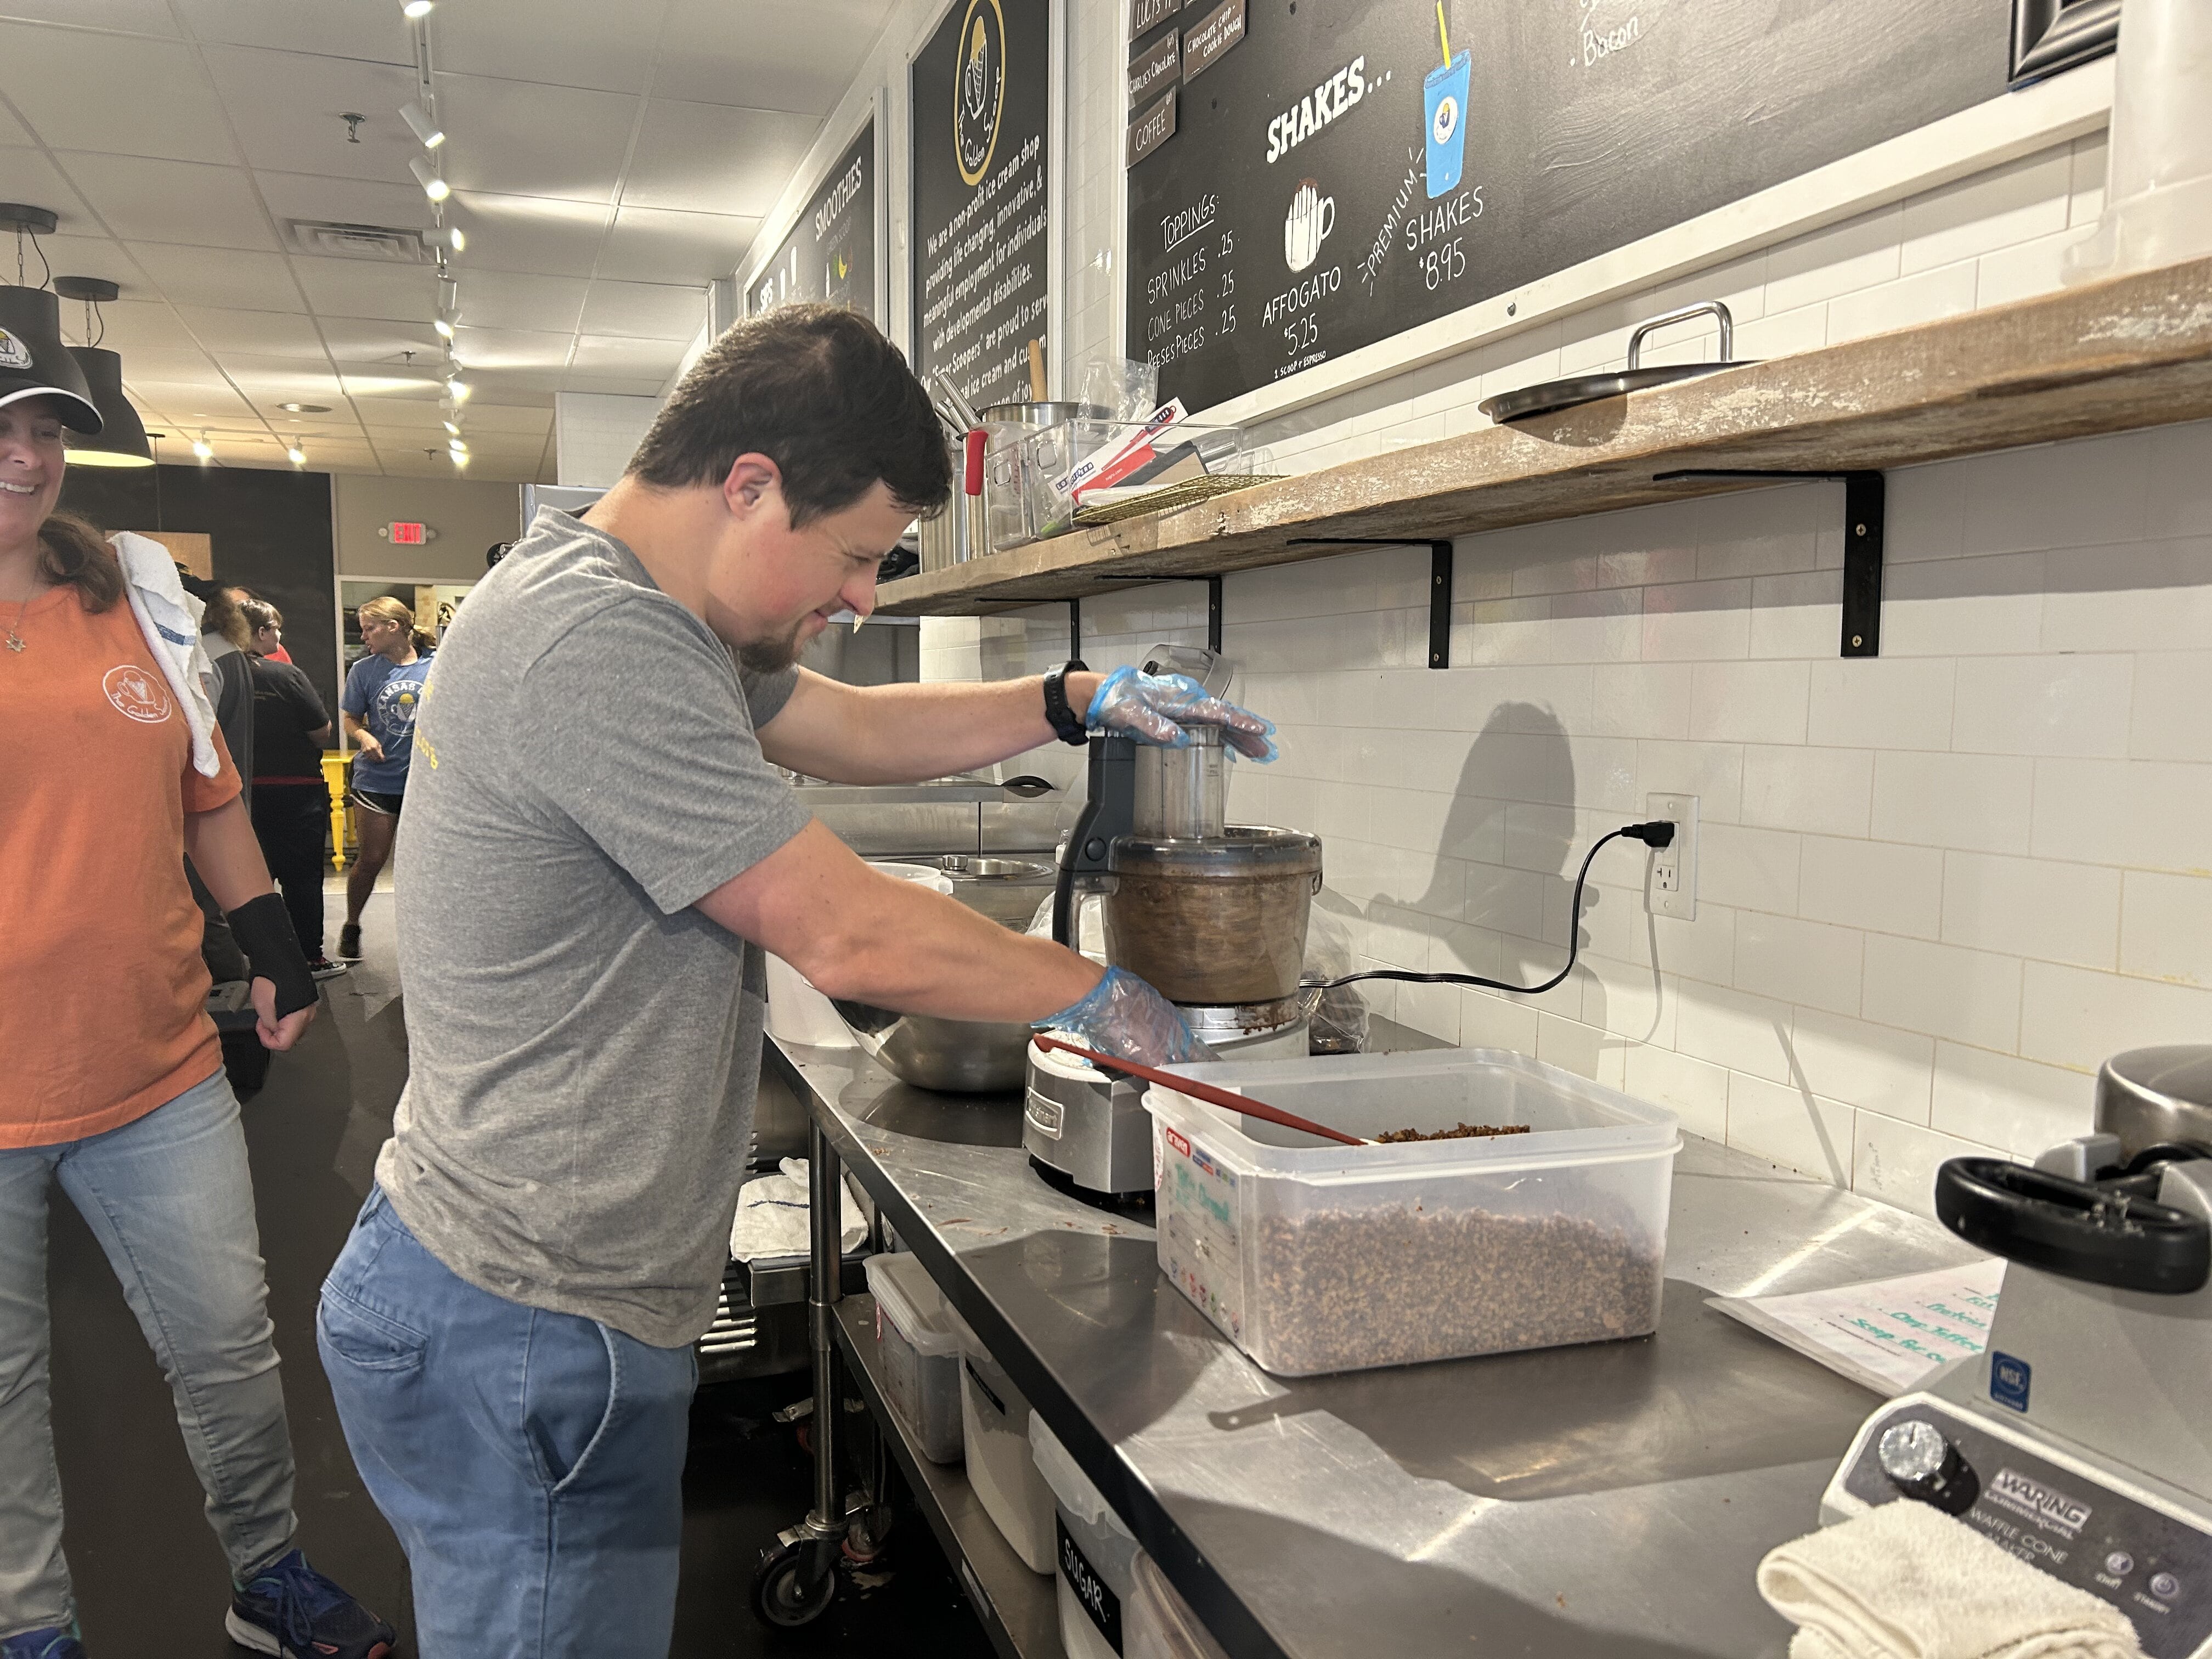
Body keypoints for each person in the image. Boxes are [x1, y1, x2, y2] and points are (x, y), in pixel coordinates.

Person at [317, 303, 1274, 1655]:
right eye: (856, 557)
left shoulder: (652, 610)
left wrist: (1068, 697)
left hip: (511, 1295)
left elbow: (849, 727)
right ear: (749, 485)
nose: (863, 599)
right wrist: (1103, 998)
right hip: (524, 1326)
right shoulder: (598, 642)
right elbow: (847, 934)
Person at [0, 371, 396, 1659]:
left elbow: (205, 797)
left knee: (229, 1342)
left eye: (45, 430)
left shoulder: (126, 597)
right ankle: (32, 1628)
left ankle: (267, 1572)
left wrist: (276, 944)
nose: (28, 456)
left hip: (156, 1059)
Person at [245, 606, 347, 979]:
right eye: (275, 629)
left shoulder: (215, 674)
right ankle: (309, 958)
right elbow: (322, 731)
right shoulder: (286, 675)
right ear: (259, 632)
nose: (279, 638)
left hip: (240, 795)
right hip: (295, 790)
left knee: (249, 879)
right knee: (302, 878)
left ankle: (255, 962)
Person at [335, 597, 433, 963]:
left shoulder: (437, 665)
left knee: (422, 865)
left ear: (394, 627)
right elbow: (349, 719)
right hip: (377, 781)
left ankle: (423, 936)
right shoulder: (364, 670)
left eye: (369, 628)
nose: (364, 636)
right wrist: (363, 737)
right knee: (372, 859)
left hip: (425, 785)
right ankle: (352, 923)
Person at [239, 594, 294, 663]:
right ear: (262, 632)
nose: (280, 634)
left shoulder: (225, 665)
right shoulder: (285, 673)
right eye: (276, 629)